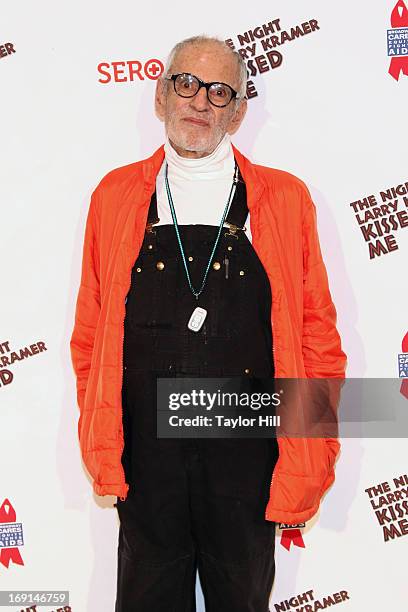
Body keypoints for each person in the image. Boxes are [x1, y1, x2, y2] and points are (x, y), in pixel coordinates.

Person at [70, 35, 347, 612]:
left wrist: (313, 451)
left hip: (247, 450)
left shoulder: (287, 199)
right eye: (185, 83)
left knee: (243, 599)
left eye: (219, 91)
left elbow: (318, 339)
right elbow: (91, 336)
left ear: (239, 110)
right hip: (146, 454)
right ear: (160, 95)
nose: (200, 101)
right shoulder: (115, 195)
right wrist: (101, 433)